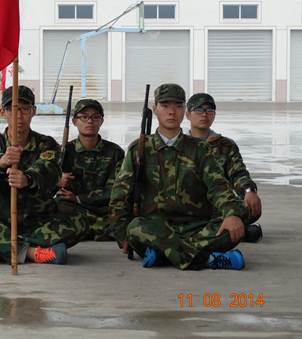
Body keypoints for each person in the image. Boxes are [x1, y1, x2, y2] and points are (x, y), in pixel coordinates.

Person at [109, 83, 246, 270]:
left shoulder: (199, 149)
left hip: (195, 226)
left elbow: (218, 187)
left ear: (184, 111)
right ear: (155, 110)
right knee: (135, 228)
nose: (172, 111)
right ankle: (207, 260)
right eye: (165, 106)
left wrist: (231, 214)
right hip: (153, 227)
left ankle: (163, 255)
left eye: (178, 106)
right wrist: (122, 235)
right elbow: (120, 195)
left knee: (231, 229)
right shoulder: (139, 149)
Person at [0, 86, 89, 265]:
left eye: (25, 109)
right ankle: (30, 252)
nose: (19, 115)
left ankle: (2, 245)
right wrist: (2, 161)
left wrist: (27, 179)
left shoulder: (46, 143)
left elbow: (49, 169)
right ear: (2, 113)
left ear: (33, 111)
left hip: (36, 220)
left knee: (80, 222)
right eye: (12, 109)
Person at [185, 93, 263, 242]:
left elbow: (238, 173)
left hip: (218, 206)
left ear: (214, 115)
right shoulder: (180, 144)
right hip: (185, 207)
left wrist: (249, 190)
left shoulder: (226, 145)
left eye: (209, 111)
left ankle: (212, 228)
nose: (204, 115)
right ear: (188, 115)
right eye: (199, 110)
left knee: (250, 207)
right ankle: (235, 231)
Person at [55, 99, 125, 241]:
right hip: (75, 208)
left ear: (101, 121)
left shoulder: (115, 152)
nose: (90, 121)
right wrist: (58, 180)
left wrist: (79, 198)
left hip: (106, 208)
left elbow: (115, 189)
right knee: (57, 206)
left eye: (95, 117)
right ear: (75, 122)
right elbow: (49, 187)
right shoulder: (64, 152)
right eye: (84, 117)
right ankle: (107, 229)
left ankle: (86, 228)